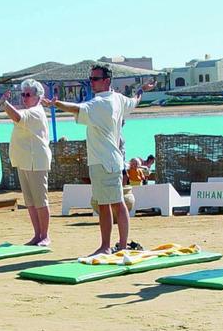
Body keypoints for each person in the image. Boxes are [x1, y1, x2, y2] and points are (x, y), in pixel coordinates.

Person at [44, 64, 154, 255]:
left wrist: (57, 104)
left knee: (115, 204)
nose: (91, 83)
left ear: (107, 81)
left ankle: (113, 246)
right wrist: (141, 90)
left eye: (95, 79)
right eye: (91, 79)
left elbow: (76, 108)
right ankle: (113, 245)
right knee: (107, 205)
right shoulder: (118, 99)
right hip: (105, 161)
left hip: (105, 162)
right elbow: (135, 101)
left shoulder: (101, 103)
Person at [1, 79, 52, 246]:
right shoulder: (30, 111)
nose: (24, 98)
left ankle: (45, 235)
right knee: (30, 202)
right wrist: (7, 105)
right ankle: (37, 234)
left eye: (27, 94)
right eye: (23, 94)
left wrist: (5, 103)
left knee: (40, 200)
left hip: (36, 160)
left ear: (37, 96)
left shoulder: (36, 112)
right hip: (25, 160)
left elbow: (16, 117)